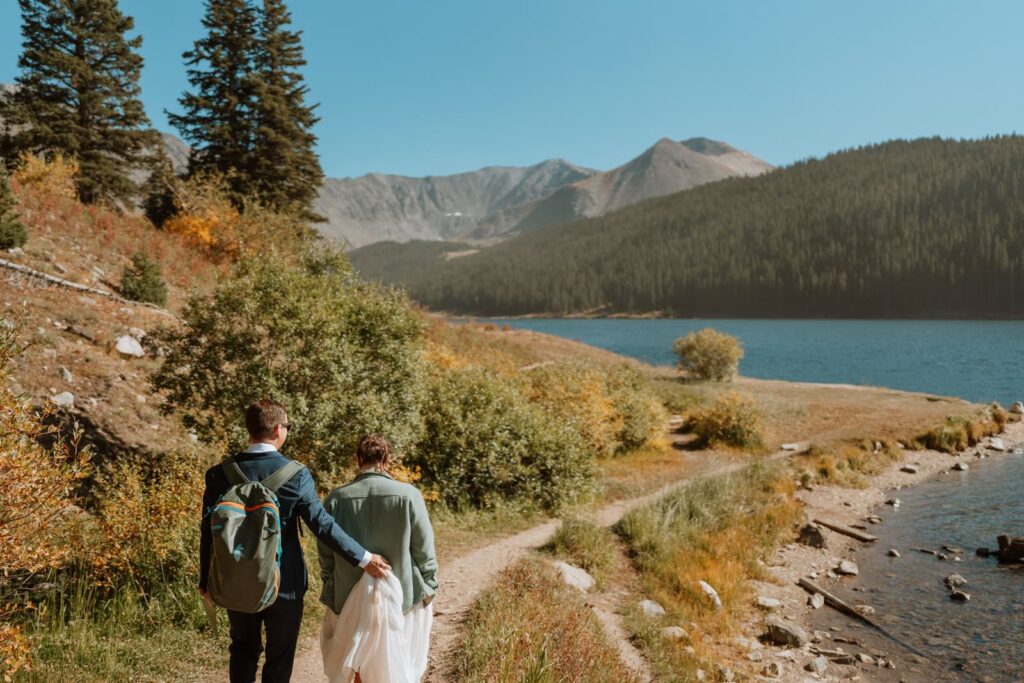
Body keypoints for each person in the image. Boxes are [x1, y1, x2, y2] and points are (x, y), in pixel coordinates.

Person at [199, 399, 391, 683]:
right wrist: (364, 558)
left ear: (250, 430)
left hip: (234, 579)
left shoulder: (218, 474)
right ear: (278, 429)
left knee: (242, 649)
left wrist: (206, 579)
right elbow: (321, 525)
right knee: (280, 656)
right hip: (284, 583)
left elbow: (207, 532)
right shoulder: (296, 475)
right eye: (287, 426)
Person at [318, 434, 438, 682]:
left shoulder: (336, 500)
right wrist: (428, 588)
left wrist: (331, 583)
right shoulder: (409, 495)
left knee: (356, 666)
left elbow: (326, 554)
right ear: (387, 459)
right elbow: (424, 550)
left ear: (358, 459)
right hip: (403, 596)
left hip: (346, 594)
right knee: (394, 665)